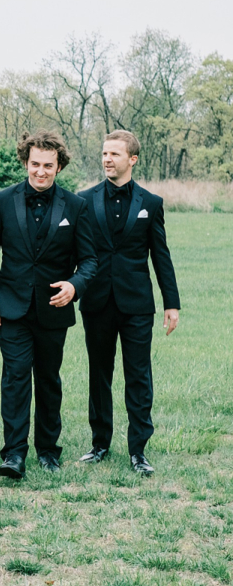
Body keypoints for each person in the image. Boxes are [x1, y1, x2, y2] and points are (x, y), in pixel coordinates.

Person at [0, 131, 97, 479]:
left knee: (48, 380)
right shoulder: (2, 200)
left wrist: (74, 286)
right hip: (11, 309)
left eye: (48, 165)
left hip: (53, 309)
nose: (40, 172)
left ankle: (48, 450)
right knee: (15, 379)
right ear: (25, 162)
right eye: (35, 164)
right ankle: (14, 454)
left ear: (58, 166)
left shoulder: (76, 206)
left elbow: (90, 260)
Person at [76, 130, 180, 476]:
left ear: (132, 159)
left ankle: (138, 450)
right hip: (96, 302)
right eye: (104, 154)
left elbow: (161, 256)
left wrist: (171, 303)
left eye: (115, 155)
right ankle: (100, 443)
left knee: (138, 376)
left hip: (136, 304)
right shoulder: (83, 201)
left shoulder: (151, 203)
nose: (107, 159)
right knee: (99, 375)